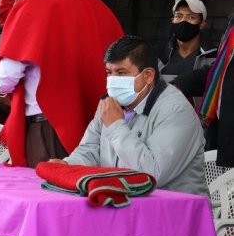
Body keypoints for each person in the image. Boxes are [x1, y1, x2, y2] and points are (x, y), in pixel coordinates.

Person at [0, 0, 123, 168]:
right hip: (99, 128)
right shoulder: (101, 9)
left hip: (48, 128)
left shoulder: (31, 5)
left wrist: (0, 89)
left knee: (45, 191)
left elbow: (6, 76)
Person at [55, 36, 207, 197]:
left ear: (148, 75)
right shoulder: (110, 104)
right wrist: (67, 165)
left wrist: (115, 126)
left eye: (121, 73)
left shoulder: (176, 111)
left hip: (173, 208)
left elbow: (152, 175)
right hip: (123, 201)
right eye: (109, 73)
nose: (113, 81)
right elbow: (89, 151)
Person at [158, 0, 217, 81]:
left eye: (191, 17)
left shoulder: (215, 58)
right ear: (172, 20)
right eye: (179, 16)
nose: (183, 21)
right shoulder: (157, 55)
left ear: (202, 24)